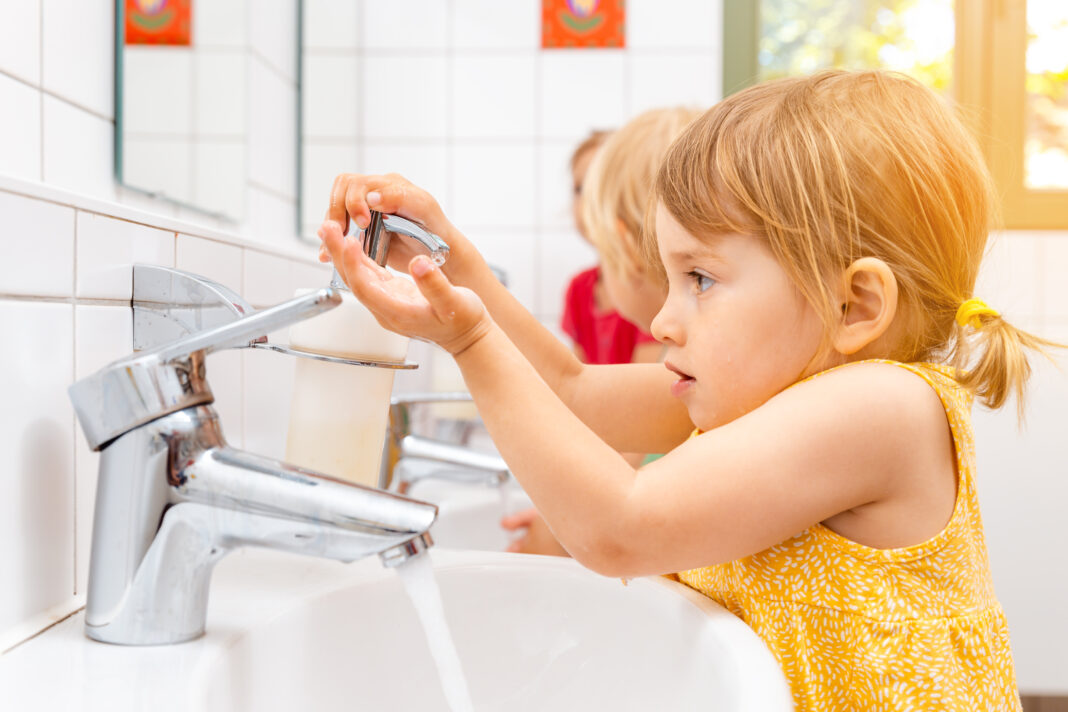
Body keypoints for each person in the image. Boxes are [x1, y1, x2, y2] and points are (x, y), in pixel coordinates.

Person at [319, 70, 1062, 709]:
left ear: (855, 307)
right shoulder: (754, 397)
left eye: (701, 279)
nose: (663, 318)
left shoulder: (885, 409)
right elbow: (571, 392)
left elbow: (623, 528)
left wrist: (471, 340)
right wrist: (456, 267)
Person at [506, 108, 703, 554]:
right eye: (577, 188)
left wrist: (563, 516)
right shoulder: (581, 289)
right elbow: (574, 389)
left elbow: (575, 391)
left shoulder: (671, 338)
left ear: (622, 239)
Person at [561, 129, 661, 366]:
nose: (587, 201)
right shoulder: (579, 289)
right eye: (579, 189)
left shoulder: (649, 289)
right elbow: (575, 375)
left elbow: (643, 392)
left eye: (600, 187)